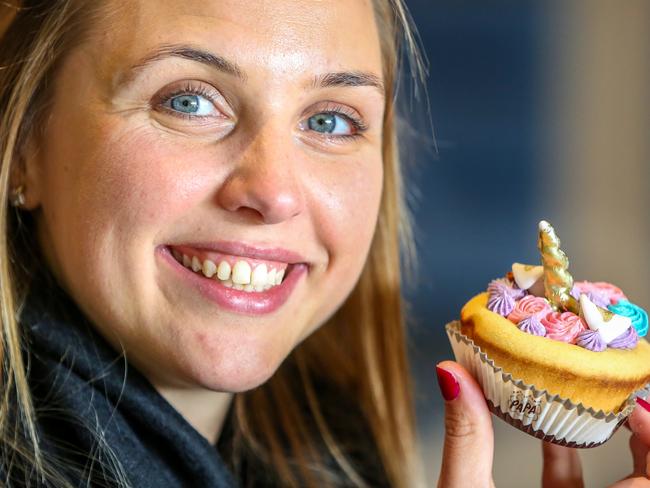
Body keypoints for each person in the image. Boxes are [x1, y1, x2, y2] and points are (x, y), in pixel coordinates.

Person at [0, 1, 649, 487]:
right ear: (23, 140)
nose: (275, 192)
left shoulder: (338, 460)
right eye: (190, 101)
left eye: (330, 120)